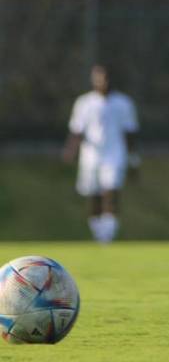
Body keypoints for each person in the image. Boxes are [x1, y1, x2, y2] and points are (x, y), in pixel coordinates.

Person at [62, 65, 139, 243]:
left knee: (111, 192)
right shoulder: (84, 103)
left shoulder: (123, 103)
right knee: (93, 195)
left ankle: (109, 233)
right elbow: (77, 130)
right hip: (91, 156)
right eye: (99, 78)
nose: (103, 82)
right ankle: (98, 233)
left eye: (106, 78)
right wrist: (70, 151)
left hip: (115, 154)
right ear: (93, 79)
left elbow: (130, 133)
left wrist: (134, 159)